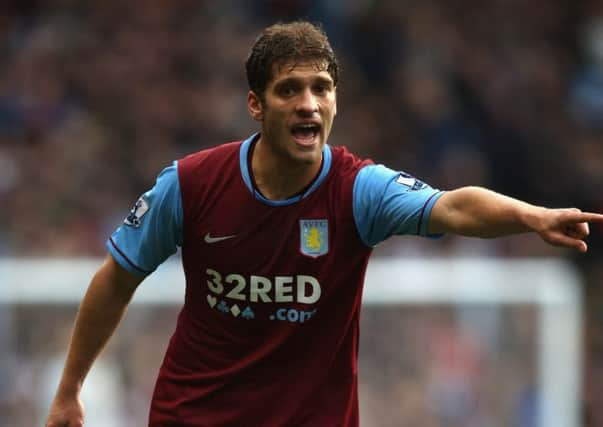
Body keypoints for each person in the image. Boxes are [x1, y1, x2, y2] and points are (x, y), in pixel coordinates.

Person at [45, 21, 603, 427]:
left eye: (321, 88)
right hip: (196, 417)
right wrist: (70, 390)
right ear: (256, 105)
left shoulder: (359, 191)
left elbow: (455, 207)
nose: (309, 103)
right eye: (289, 89)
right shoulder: (189, 185)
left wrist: (531, 216)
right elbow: (117, 277)